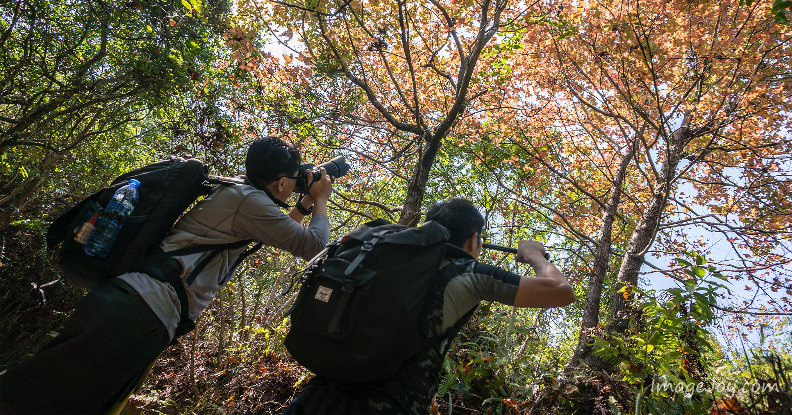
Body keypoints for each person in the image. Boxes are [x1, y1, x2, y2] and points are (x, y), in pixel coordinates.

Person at [0, 136, 333, 415]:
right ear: (280, 181)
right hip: (143, 311)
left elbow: (277, 230)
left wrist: (304, 202)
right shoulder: (251, 203)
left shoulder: (241, 195)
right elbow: (314, 245)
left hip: (133, 303)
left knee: (53, 392)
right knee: (39, 397)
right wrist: (320, 199)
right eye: (293, 177)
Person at [283, 197, 575, 414]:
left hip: (316, 398)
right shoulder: (467, 273)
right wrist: (535, 255)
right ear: (473, 240)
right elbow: (560, 292)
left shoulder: (387, 262)